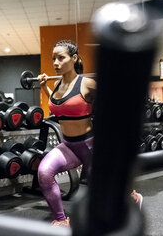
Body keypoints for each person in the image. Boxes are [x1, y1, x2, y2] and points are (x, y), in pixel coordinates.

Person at [37, 40, 142, 227]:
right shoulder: (57, 87)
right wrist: (45, 87)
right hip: (68, 145)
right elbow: (59, 107)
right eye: (54, 58)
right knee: (44, 173)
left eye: (61, 58)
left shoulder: (86, 84)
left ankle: (131, 198)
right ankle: (61, 220)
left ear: (74, 58)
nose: (55, 63)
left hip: (90, 144)